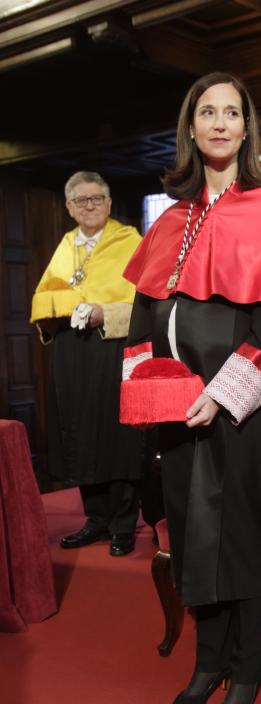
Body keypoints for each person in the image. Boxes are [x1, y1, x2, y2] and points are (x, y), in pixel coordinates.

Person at [122, 72, 261, 704]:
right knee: (194, 534)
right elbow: (145, 315)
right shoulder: (171, 217)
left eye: (232, 112)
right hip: (174, 405)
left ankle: (247, 670)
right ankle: (207, 662)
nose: (221, 123)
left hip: (236, 407)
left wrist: (222, 395)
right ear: (190, 129)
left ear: (246, 128)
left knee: (243, 537)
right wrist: (147, 386)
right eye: (208, 113)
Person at [31, 171, 143, 557]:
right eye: (81, 201)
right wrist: (54, 314)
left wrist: (103, 313)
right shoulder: (65, 246)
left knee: (117, 436)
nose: (90, 206)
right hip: (71, 351)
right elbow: (46, 295)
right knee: (78, 432)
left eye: (97, 199)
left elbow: (147, 306)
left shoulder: (130, 241)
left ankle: (124, 523)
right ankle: (96, 519)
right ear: (68, 207)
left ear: (110, 203)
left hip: (112, 349)